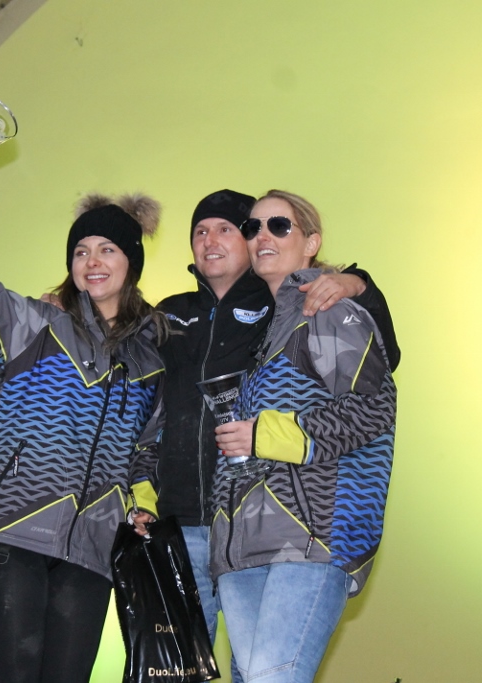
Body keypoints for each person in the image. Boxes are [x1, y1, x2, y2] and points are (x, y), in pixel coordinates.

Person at [0, 134, 165, 683]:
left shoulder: (151, 357)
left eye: (107, 249)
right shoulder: (33, 325)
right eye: (81, 252)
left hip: (92, 548)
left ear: (131, 262)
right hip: (10, 530)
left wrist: (143, 500)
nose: (92, 261)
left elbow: (148, 446)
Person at [154, 189, 400, 672]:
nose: (262, 236)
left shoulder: (328, 309)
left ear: (311, 242)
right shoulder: (269, 329)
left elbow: (375, 407)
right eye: (253, 227)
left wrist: (355, 282)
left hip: (309, 539)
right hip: (241, 545)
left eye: (279, 226)